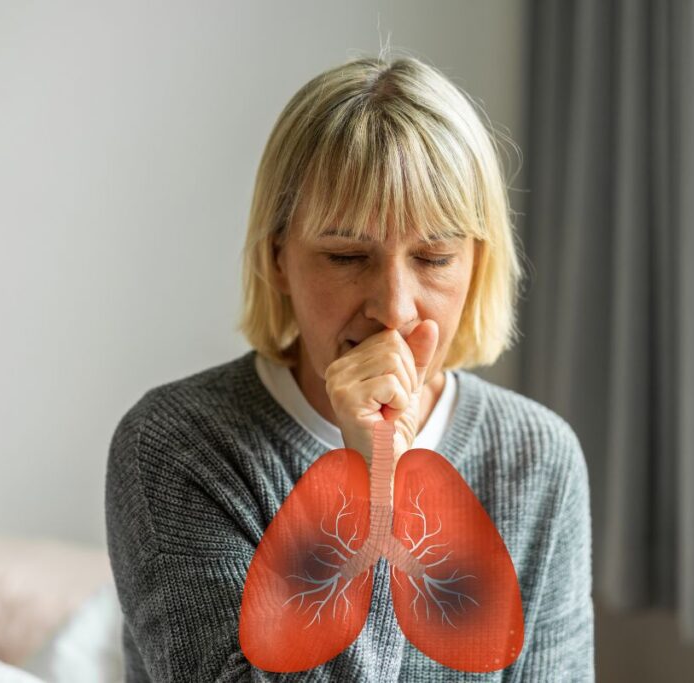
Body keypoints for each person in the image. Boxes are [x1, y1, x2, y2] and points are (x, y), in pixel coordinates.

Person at [105, 54, 594, 681]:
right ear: (278, 258)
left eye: (434, 257)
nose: (393, 307)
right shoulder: (179, 444)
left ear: (477, 264)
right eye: (345, 256)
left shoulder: (536, 457)